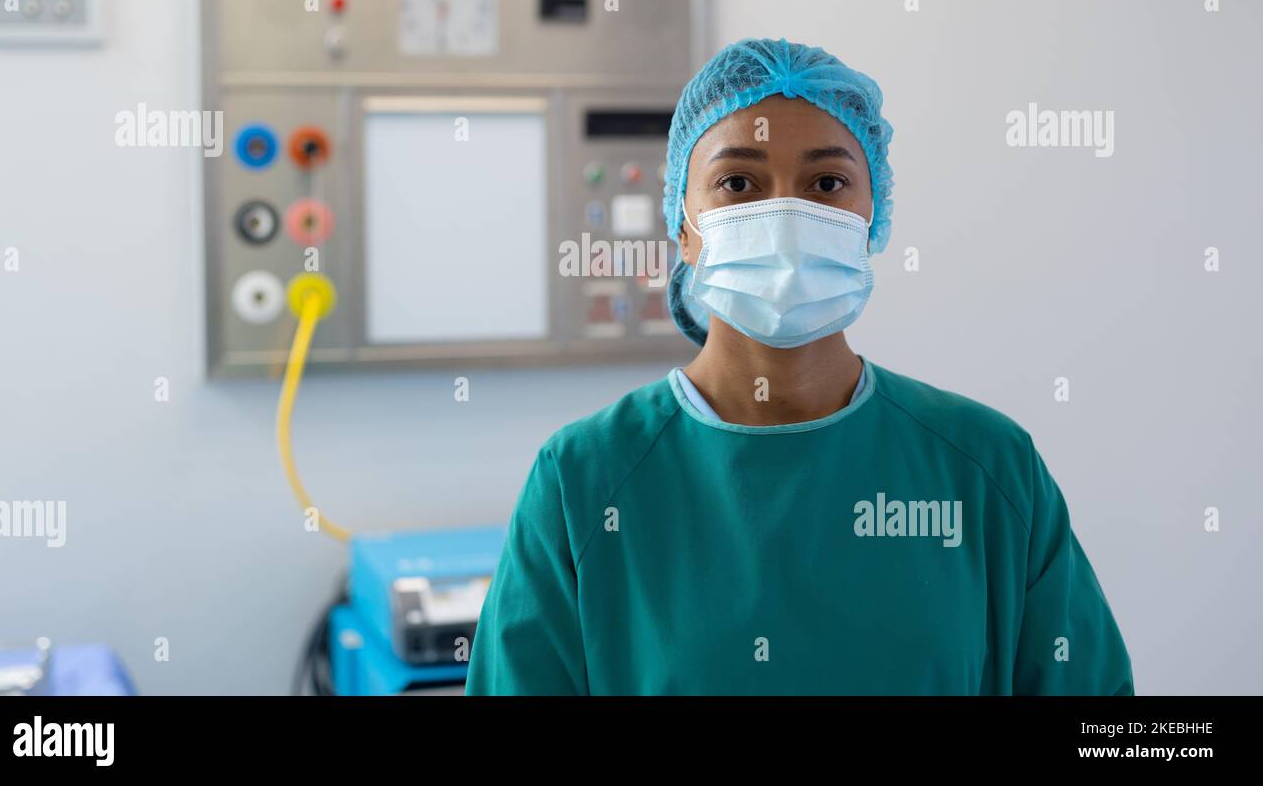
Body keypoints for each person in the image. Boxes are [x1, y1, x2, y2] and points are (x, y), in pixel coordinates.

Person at [465, 38, 1133, 695]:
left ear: (873, 216)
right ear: (682, 224)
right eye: (738, 182)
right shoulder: (583, 482)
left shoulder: (986, 469)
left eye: (826, 182)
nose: (785, 214)